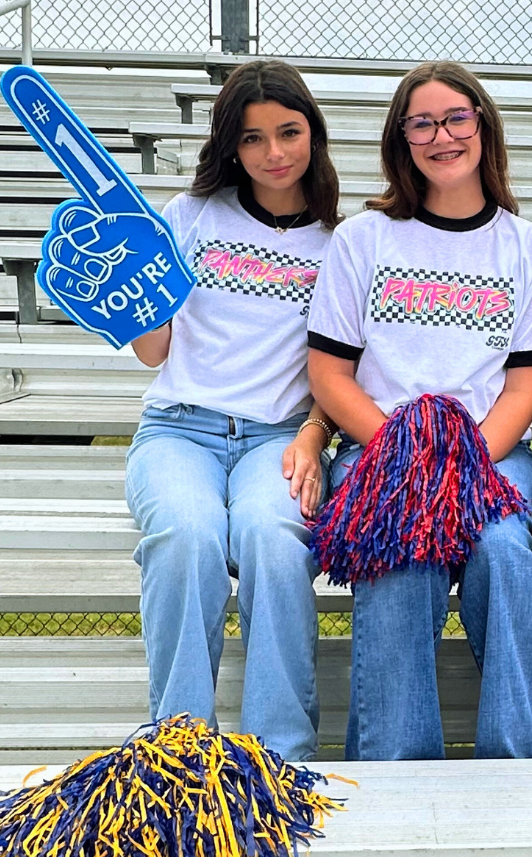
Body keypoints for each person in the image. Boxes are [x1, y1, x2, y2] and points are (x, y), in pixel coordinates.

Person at [306, 61, 532, 761]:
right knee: (402, 557)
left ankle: (522, 773)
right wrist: (409, 453)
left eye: (455, 117)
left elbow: (523, 388)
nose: (440, 135)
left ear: (482, 125)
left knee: (507, 557)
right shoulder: (364, 240)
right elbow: (329, 375)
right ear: (401, 139)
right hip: (378, 450)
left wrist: (459, 463)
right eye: (420, 122)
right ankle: (396, 775)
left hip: (493, 451)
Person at [126, 59, 341, 760]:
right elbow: (152, 353)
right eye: (252, 139)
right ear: (230, 145)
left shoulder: (342, 242)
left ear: (314, 133)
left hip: (277, 438)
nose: (274, 153)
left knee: (274, 543)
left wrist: (314, 432)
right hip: (179, 431)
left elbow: (343, 370)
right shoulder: (189, 218)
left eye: (288, 132)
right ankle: (178, 751)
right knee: (188, 539)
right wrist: (133, 290)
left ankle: (280, 758)